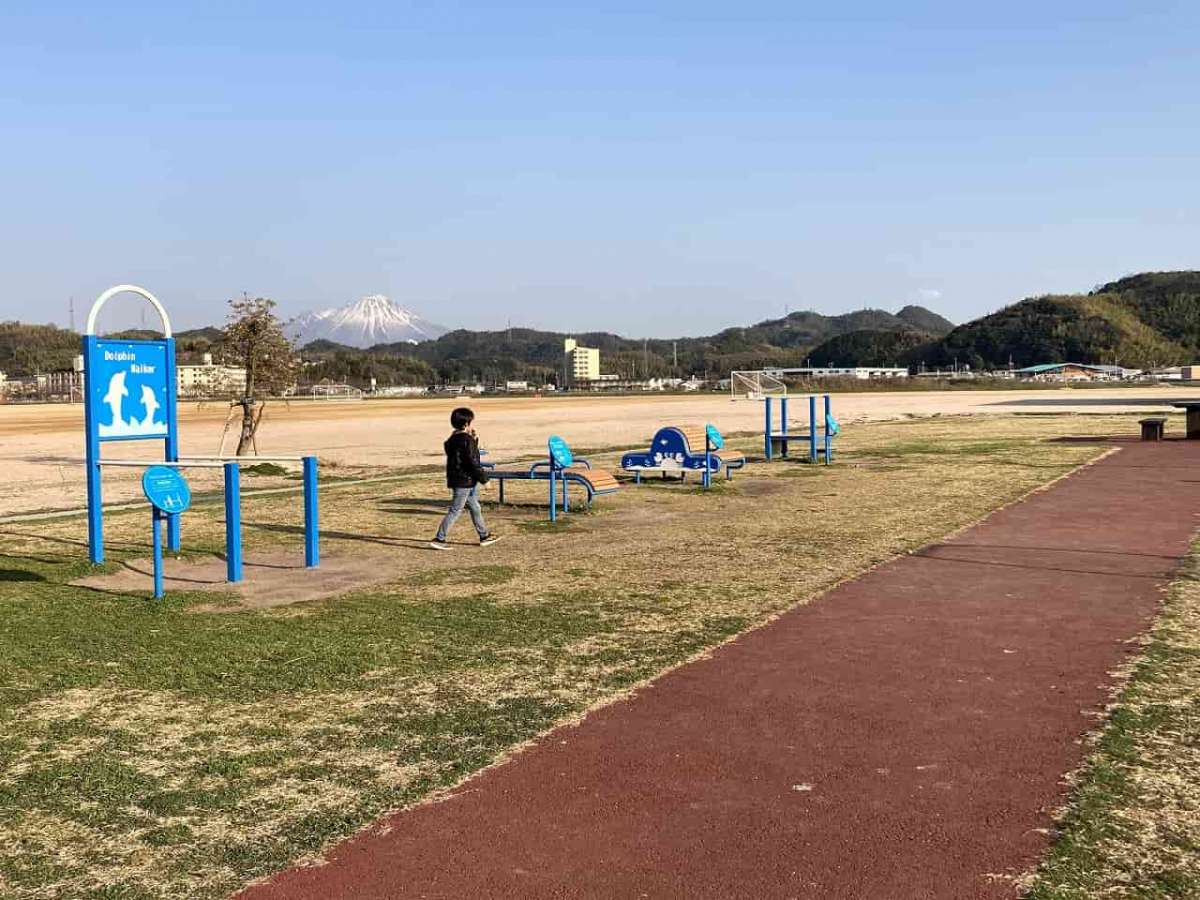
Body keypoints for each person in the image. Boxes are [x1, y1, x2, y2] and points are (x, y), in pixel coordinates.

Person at [430, 407, 500, 550]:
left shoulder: (452, 439)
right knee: (455, 510)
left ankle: (484, 535)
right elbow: (472, 462)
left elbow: (460, 455)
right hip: (465, 481)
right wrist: (484, 479)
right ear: (466, 423)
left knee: (475, 507)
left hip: (460, 479)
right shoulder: (466, 440)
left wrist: (473, 440)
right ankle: (439, 538)